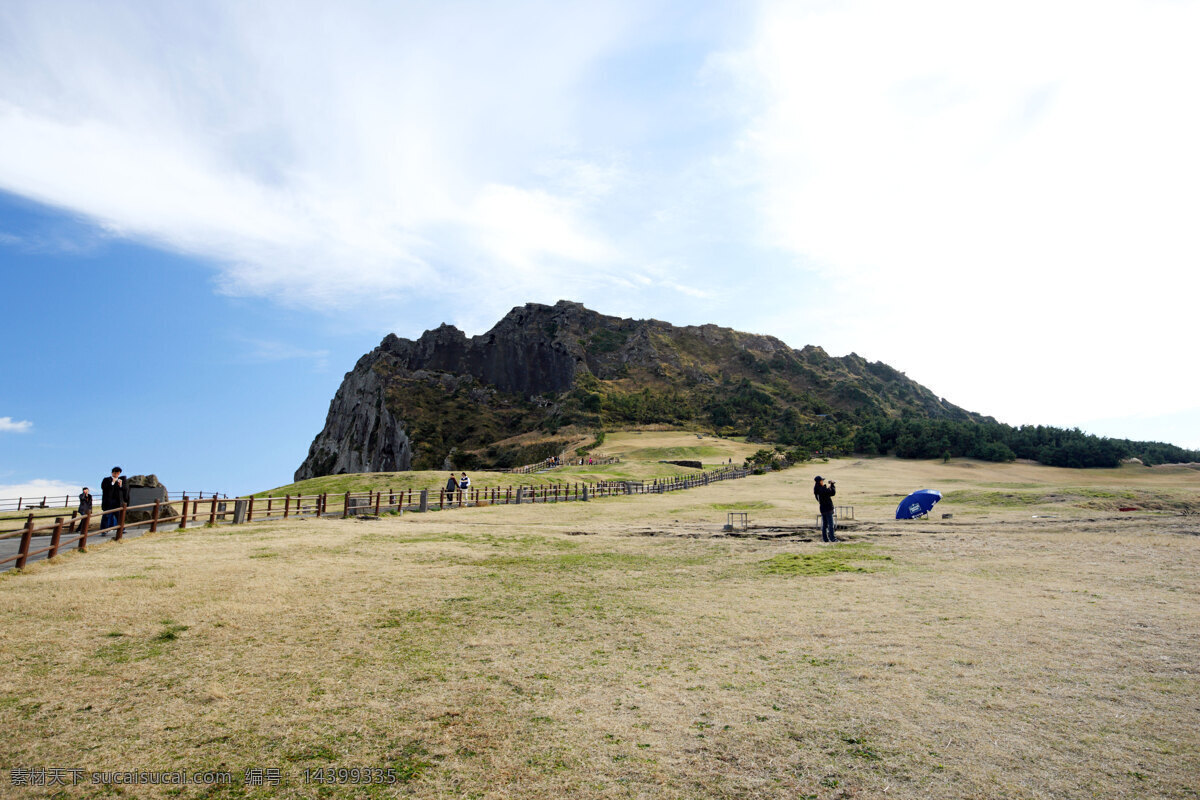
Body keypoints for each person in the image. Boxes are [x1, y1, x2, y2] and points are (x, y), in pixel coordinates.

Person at [100, 467, 128, 535]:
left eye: (118, 473)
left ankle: (122, 529)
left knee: (119, 515)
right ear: (112, 473)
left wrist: (120, 485)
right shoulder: (106, 479)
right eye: (115, 473)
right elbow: (104, 487)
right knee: (106, 516)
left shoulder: (121, 480)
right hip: (108, 501)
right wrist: (112, 482)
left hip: (117, 501)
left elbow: (125, 489)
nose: (116, 475)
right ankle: (104, 530)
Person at [814, 475, 839, 543]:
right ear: (819, 481)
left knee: (824, 525)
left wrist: (829, 487)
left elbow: (826, 493)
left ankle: (825, 539)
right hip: (828, 508)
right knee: (831, 525)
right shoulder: (822, 489)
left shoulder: (817, 489)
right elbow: (832, 493)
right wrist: (832, 485)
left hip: (822, 509)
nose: (823, 481)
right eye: (822, 480)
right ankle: (832, 538)